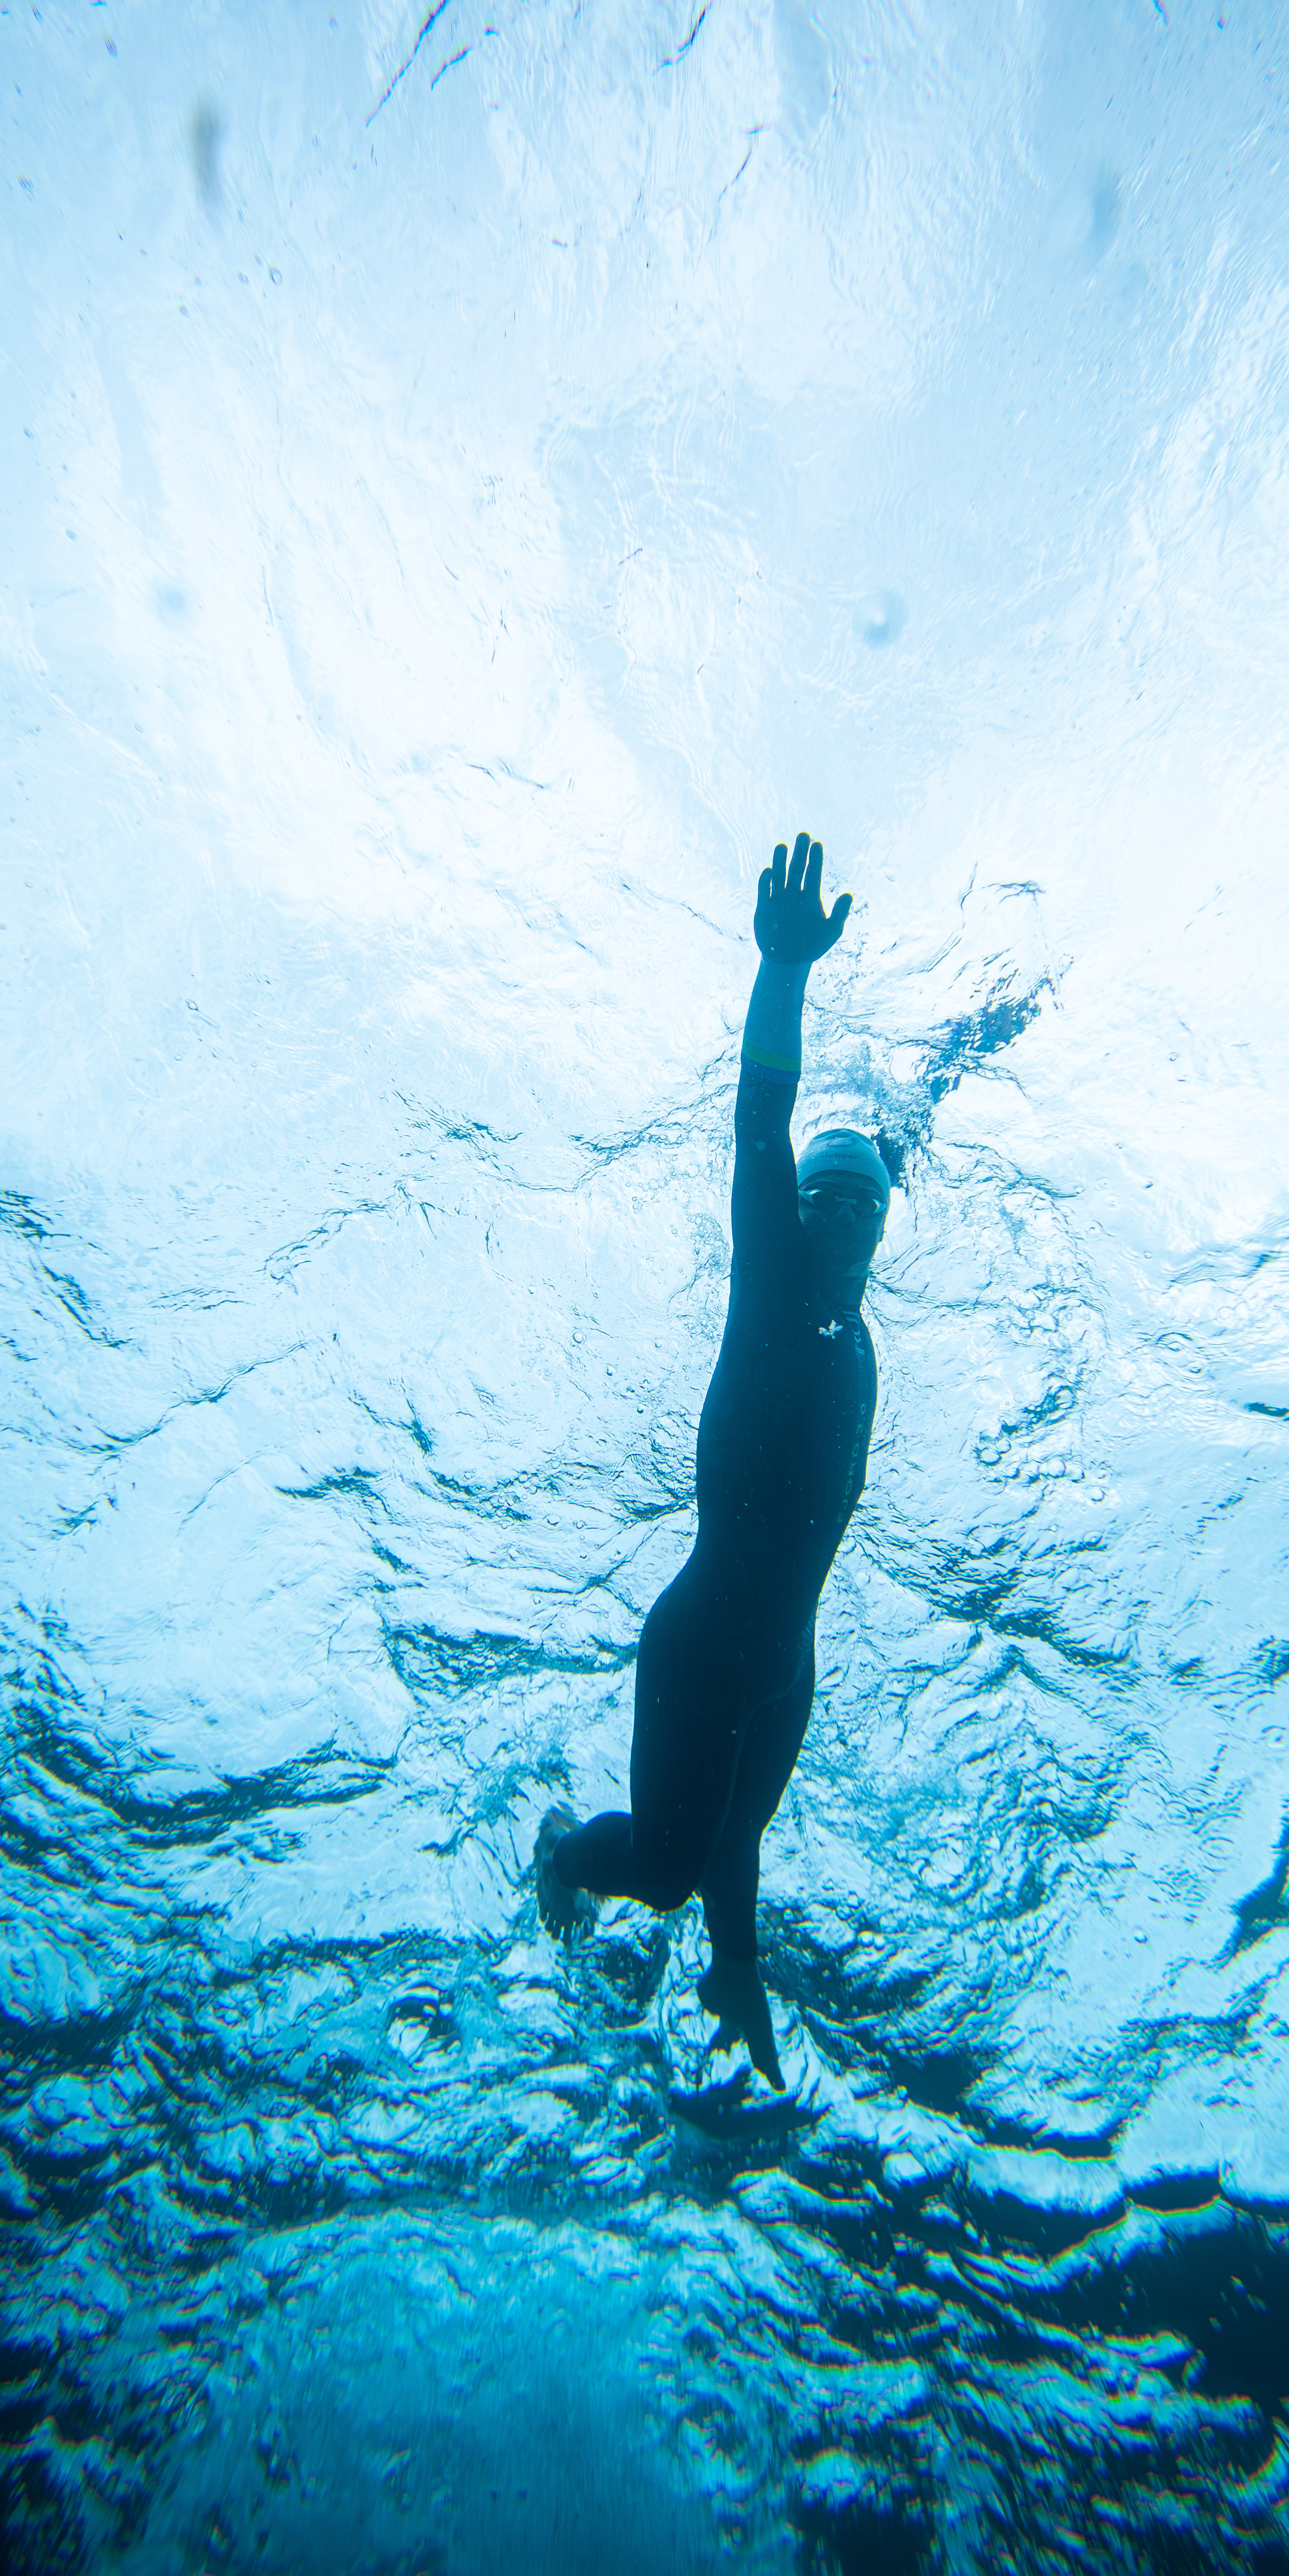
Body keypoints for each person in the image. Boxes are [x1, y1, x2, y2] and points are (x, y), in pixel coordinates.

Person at [535, 832, 891, 2088]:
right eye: (828, 1193)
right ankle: (567, 1854)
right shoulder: (776, 1286)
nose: (845, 1208)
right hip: (703, 1638)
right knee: (670, 1871)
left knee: (738, 1845)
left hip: (785, 1658)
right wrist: (784, 973)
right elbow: (762, 1119)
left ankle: (734, 1979)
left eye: (867, 1198)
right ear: (799, 1213)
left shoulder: (858, 1340)